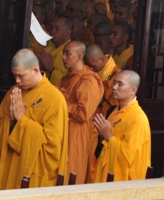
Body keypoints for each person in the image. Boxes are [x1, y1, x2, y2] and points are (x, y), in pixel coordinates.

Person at [0, 49, 68, 190]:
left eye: (21, 76)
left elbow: (52, 143)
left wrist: (22, 120)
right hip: (9, 164)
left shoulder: (54, 98)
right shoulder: (14, 92)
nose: (17, 81)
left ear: (35, 70)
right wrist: (11, 121)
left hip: (32, 170)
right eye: (14, 76)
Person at [92, 70, 151, 182]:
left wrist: (109, 136)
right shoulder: (113, 111)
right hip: (106, 173)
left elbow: (128, 156)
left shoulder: (137, 118)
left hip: (122, 180)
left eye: (120, 84)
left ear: (133, 90)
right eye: (114, 83)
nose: (114, 87)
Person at [59, 42, 103, 184]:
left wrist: (60, 104)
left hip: (77, 134)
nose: (63, 57)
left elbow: (83, 114)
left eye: (67, 54)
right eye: (63, 53)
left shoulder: (88, 80)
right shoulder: (70, 77)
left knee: (71, 173)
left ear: (79, 57)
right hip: (63, 131)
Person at [83, 44, 120, 182]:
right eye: (88, 66)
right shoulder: (92, 72)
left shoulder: (116, 75)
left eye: (93, 66)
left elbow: (113, 103)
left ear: (102, 59)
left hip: (103, 126)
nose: (91, 69)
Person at [35, 17, 72, 88]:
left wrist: (51, 68)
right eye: (51, 28)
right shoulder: (49, 49)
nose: (52, 32)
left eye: (57, 29)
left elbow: (66, 81)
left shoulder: (72, 52)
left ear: (68, 33)